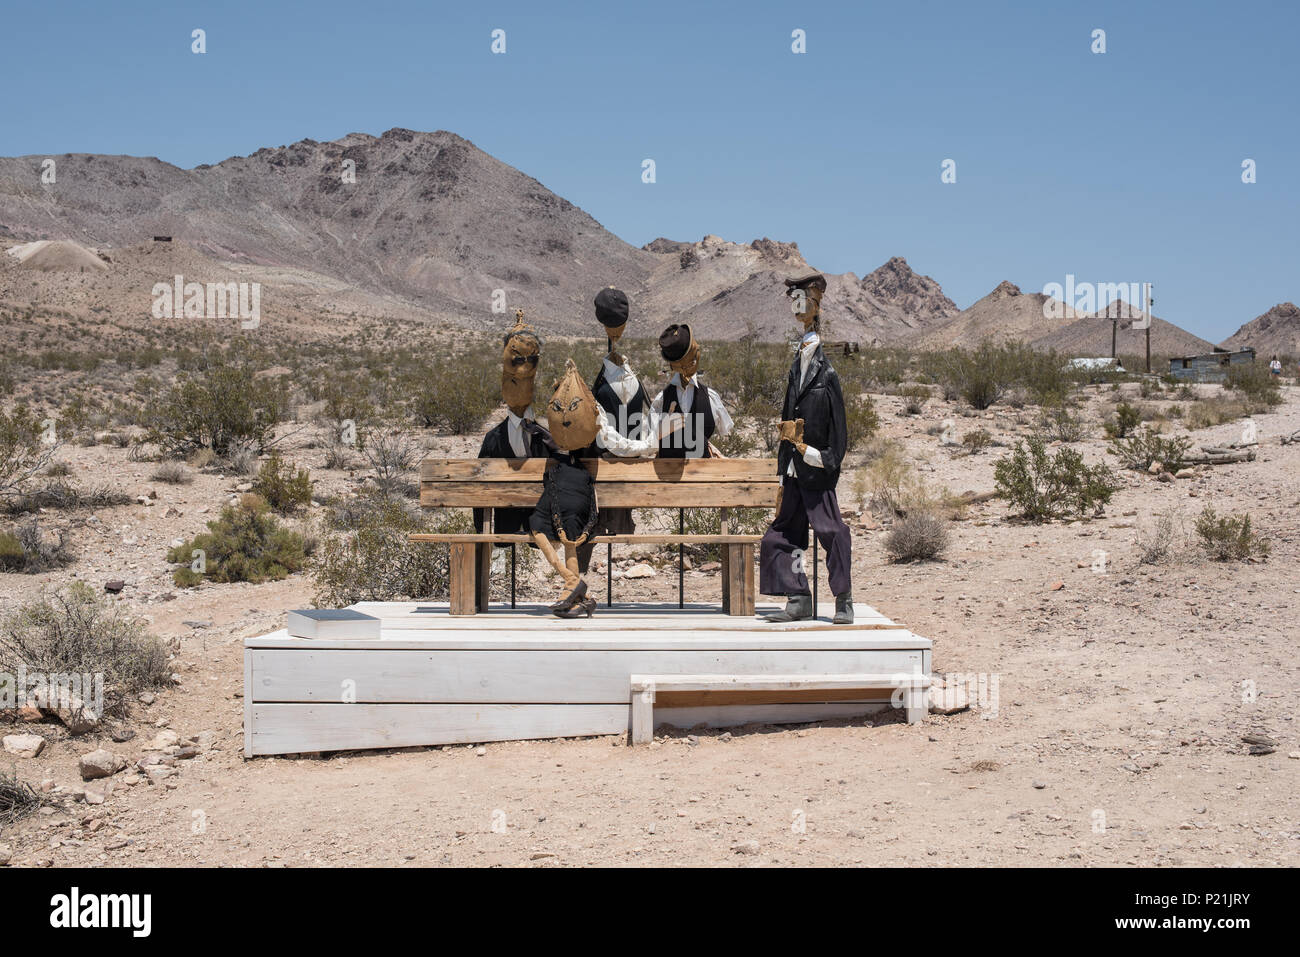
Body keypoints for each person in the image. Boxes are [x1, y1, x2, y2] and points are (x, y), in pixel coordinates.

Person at [758, 274, 855, 625]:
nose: (798, 307)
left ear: (815, 305)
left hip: (816, 471)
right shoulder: (794, 369)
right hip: (794, 472)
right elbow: (788, 417)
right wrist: (785, 464)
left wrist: (814, 454)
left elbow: (839, 435)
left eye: (803, 299)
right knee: (782, 536)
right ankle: (798, 594)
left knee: (832, 531)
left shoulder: (826, 374)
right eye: (793, 300)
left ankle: (843, 597)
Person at [474, 310, 553, 538]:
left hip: (537, 521)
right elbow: (479, 488)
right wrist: (481, 529)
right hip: (504, 521)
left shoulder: (545, 436)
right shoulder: (494, 439)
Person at [651, 323, 733, 458]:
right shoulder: (661, 401)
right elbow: (650, 440)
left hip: (704, 476)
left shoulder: (710, 397)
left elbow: (726, 430)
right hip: (668, 476)